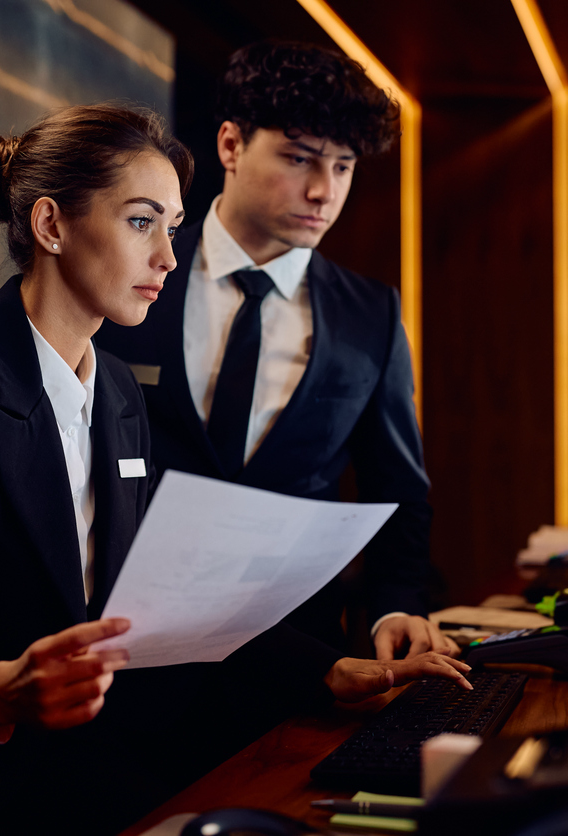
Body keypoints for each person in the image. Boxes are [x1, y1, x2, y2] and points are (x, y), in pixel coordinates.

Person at [0, 103, 468, 829]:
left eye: (173, 228)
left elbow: (169, 591)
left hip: (97, 762)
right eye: (140, 222)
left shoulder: (119, 389)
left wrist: (327, 670)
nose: (168, 257)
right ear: (52, 225)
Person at [93, 40, 454, 663]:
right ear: (230, 145)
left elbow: (395, 487)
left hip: (305, 656)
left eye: (343, 167)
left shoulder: (369, 314)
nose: (323, 190)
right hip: (129, 646)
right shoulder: (129, 272)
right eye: (299, 158)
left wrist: (396, 606)